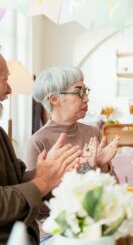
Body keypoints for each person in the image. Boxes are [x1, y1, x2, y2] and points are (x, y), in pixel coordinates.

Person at [0, 54, 82, 244]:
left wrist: (54, 171)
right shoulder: (37, 140)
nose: (9, 89)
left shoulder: (1, 134)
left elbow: (19, 180)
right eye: (5, 80)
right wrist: (43, 180)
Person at [24, 66, 119, 173]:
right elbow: (35, 189)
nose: (87, 99)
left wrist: (102, 166)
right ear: (54, 99)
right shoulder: (37, 143)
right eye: (79, 92)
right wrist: (90, 167)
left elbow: (114, 187)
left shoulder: (94, 134)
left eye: (85, 92)